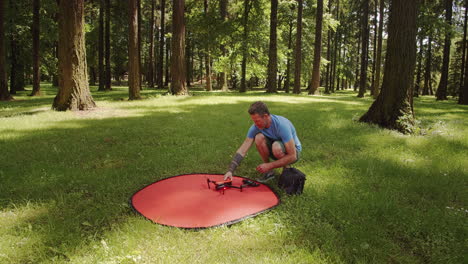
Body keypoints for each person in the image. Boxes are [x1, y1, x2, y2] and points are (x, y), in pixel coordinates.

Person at [224, 101, 302, 182]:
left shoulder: (282, 126)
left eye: (257, 121)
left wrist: (270, 165)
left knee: (276, 146)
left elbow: (293, 156)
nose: (255, 124)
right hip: (276, 149)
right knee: (258, 137)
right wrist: (230, 170)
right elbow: (242, 150)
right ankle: (269, 172)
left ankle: (287, 170)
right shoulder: (255, 127)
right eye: (254, 121)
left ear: (265, 116)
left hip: (294, 152)